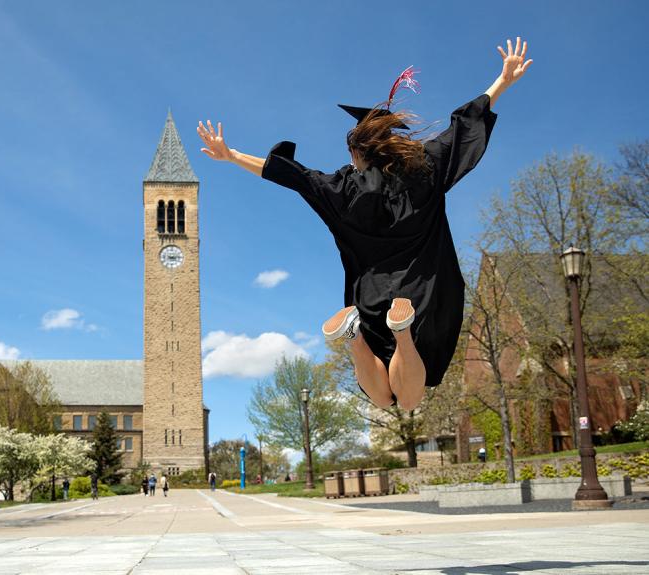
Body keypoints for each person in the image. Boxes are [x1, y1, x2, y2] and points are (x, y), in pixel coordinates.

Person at [198, 38, 532, 412]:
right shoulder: (425, 169)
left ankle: (355, 334)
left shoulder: (341, 188)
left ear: (356, 153)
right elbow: (462, 128)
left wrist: (231, 155)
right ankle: (402, 332)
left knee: (383, 399)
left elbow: (294, 175)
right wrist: (501, 82)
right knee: (408, 400)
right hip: (421, 292)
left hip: (369, 296)